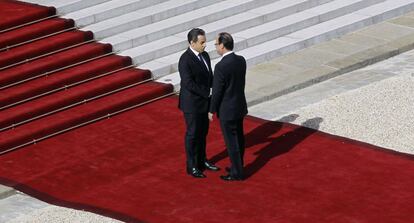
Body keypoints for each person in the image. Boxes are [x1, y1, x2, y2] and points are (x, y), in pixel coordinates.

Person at [178, 28, 220, 178]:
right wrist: (206, 92)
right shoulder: (185, 59)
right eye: (202, 42)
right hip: (192, 104)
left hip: (204, 102)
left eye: (205, 42)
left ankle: (202, 160)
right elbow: (188, 83)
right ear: (192, 42)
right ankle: (192, 166)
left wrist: (216, 89)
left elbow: (210, 76)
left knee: (203, 132)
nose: (205, 45)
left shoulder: (205, 55)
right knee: (193, 134)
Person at [209, 32, 247, 181]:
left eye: (216, 45)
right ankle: (238, 166)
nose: (216, 47)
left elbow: (217, 91)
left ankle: (237, 172)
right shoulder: (241, 60)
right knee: (239, 138)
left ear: (222, 45)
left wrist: (212, 109)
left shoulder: (220, 67)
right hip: (239, 105)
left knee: (232, 142)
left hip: (227, 109)